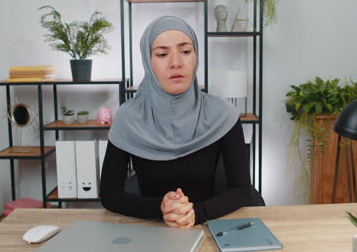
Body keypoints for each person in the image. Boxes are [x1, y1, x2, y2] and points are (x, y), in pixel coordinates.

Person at [100, 16, 264, 228]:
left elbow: (241, 190)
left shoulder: (224, 114)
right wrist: (162, 209)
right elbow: (109, 194)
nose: (175, 62)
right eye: (161, 54)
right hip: (153, 230)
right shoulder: (127, 117)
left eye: (185, 51)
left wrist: (196, 213)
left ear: (196, 56)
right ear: (147, 62)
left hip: (210, 227)